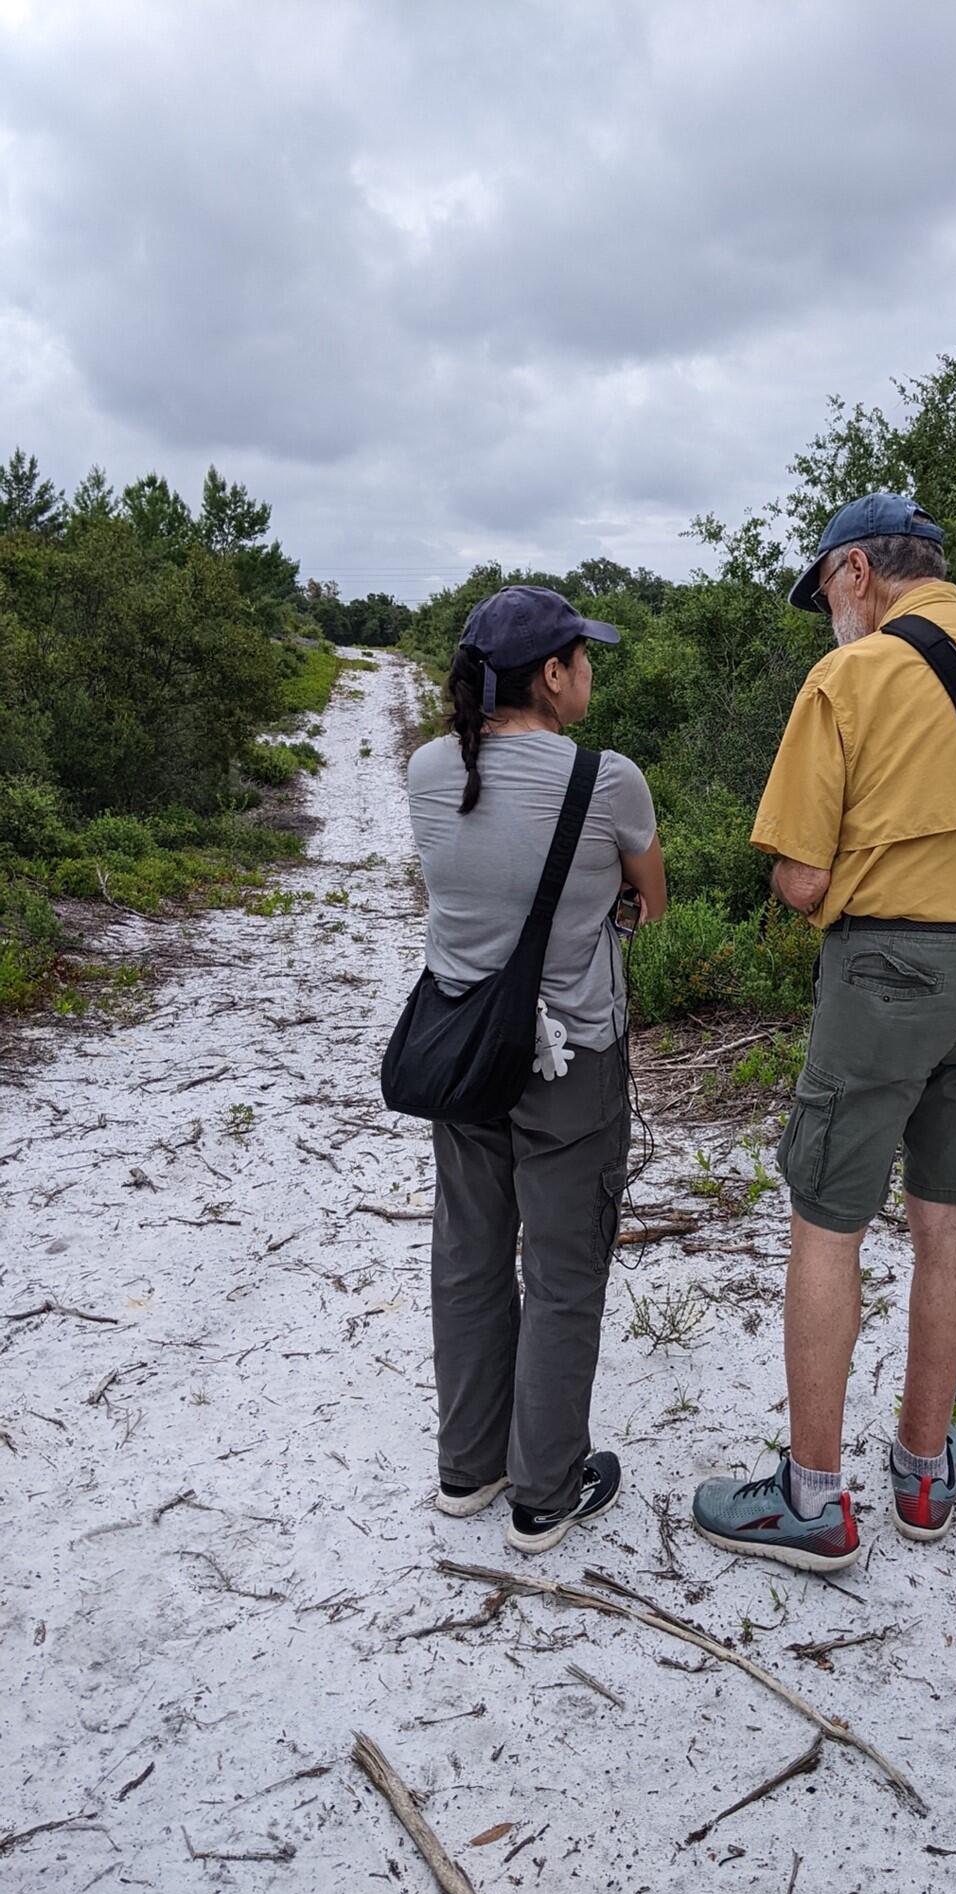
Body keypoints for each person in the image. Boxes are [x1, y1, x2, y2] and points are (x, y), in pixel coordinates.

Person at [692, 494, 956, 1572]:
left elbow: (798, 878)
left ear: (851, 574)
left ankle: (813, 1499)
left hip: (885, 973)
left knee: (829, 1219)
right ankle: (923, 1470)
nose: (826, 616)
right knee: (947, 1215)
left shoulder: (849, 676)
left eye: (823, 593)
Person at [407, 584, 666, 1553]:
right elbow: (653, 895)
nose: (589, 671)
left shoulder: (428, 768)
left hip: (461, 1051)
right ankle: (545, 1490)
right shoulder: (608, 779)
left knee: (467, 1252)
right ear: (551, 675)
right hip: (571, 1061)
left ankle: (467, 1469)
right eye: (581, 657)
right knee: (561, 1271)